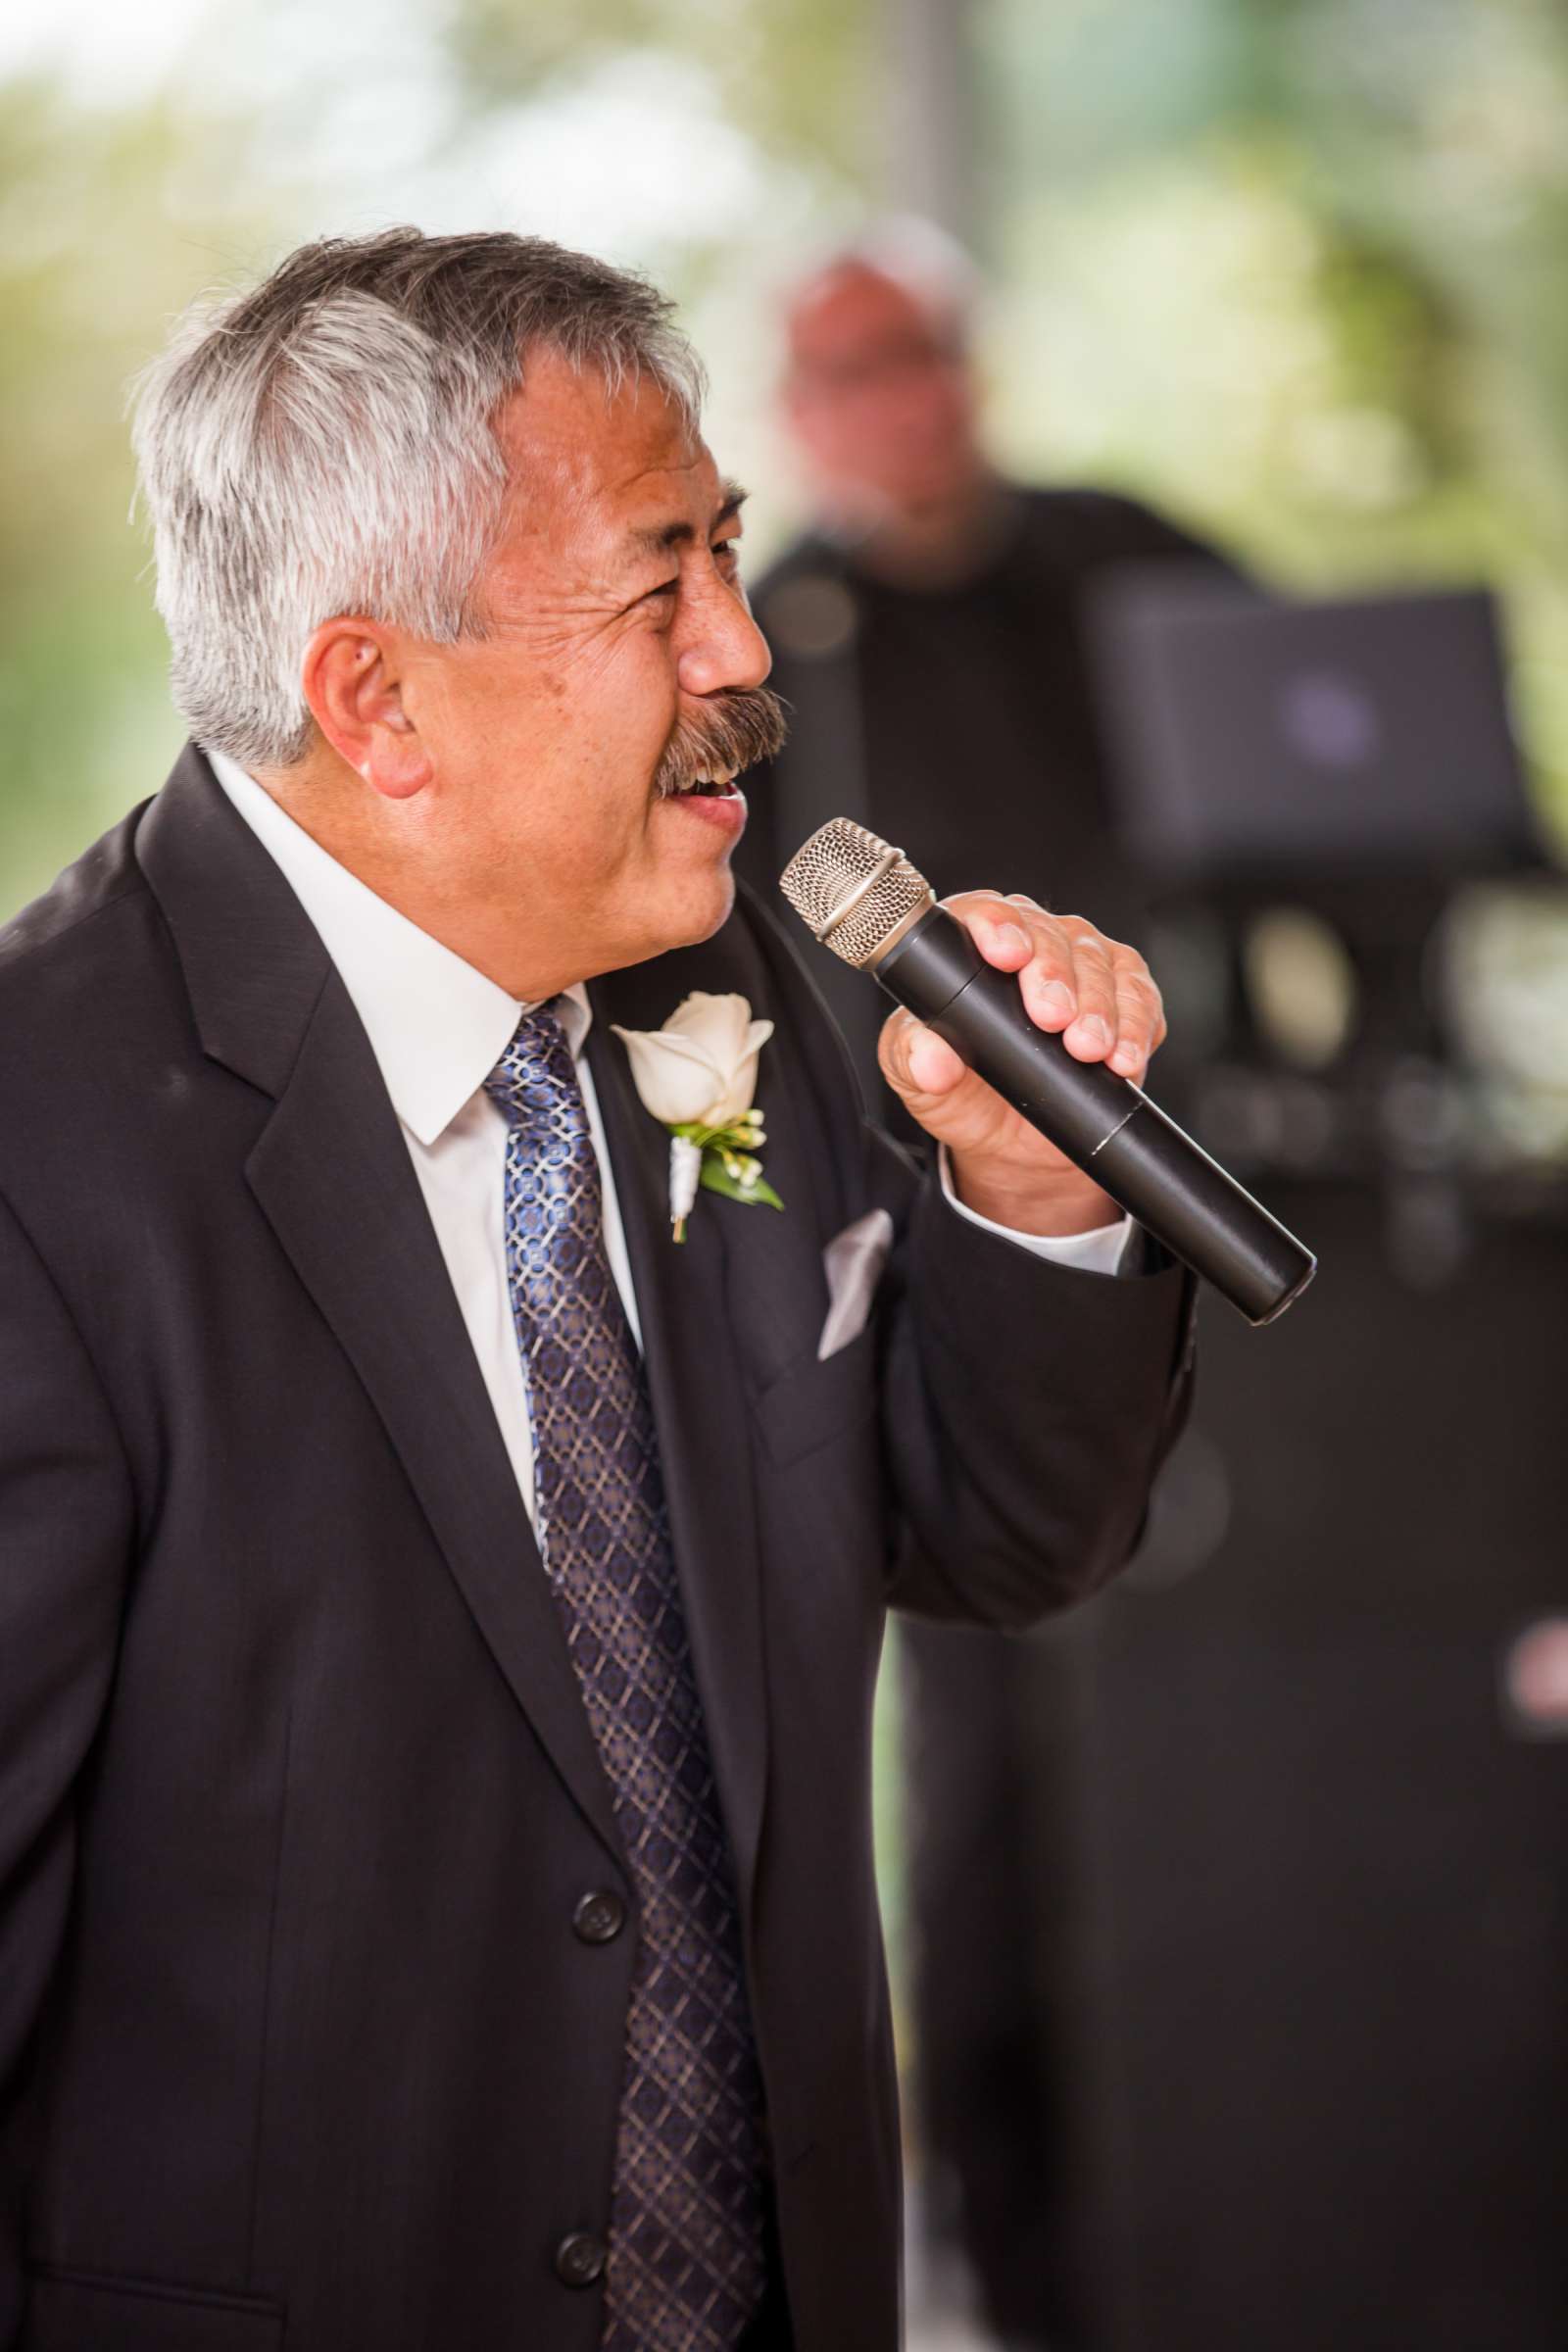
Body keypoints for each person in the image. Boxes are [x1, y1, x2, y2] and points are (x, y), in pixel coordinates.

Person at [0, 229, 1193, 2352]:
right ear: (374, 698)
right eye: (663, 586)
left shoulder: (716, 976)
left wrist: (1022, 1188)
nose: (747, 648)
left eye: (729, 545)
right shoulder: (43, 1139)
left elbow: (995, 1531)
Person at [733, 225, 1236, 2350]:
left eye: (912, 353)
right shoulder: (779, 650)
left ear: (966, 368)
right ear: (805, 412)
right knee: (977, 1783)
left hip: (1174, 1209)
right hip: (930, 1255)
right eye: (838, 372)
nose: (888, 400)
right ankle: (1017, 2269)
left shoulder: (1130, 556)